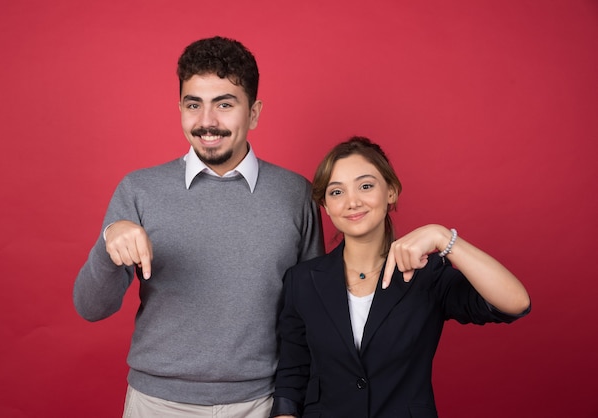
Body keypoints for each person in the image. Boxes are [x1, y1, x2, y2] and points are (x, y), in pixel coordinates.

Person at [73, 36, 324, 418]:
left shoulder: (296, 194)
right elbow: (91, 308)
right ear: (179, 109)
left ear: (253, 113)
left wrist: (291, 404)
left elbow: (311, 315)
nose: (207, 122)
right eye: (194, 105)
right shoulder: (139, 190)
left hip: (262, 402)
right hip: (156, 403)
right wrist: (108, 242)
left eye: (224, 104)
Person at [269, 136, 531, 418]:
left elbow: (515, 303)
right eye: (336, 192)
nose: (352, 201)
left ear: (391, 191)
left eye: (366, 186)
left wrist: (442, 237)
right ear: (325, 205)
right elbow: (291, 377)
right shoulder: (303, 281)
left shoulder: (427, 274)